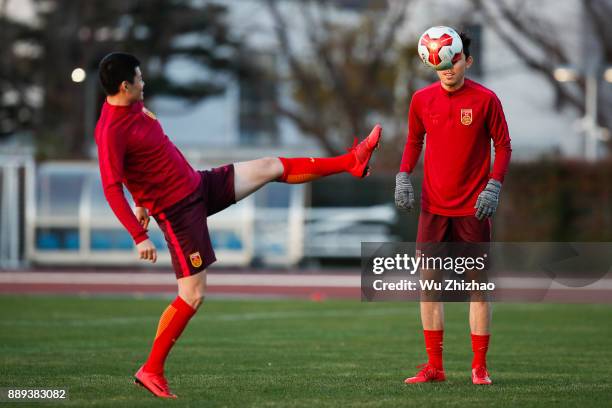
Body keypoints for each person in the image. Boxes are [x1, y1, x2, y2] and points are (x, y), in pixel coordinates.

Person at [95, 52, 382, 398]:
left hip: (198, 186)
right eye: (140, 79)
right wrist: (139, 235)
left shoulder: (135, 108)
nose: (144, 83)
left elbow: (141, 162)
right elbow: (111, 187)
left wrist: (140, 201)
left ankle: (351, 161)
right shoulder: (110, 129)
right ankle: (151, 369)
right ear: (125, 86)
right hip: (178, 213)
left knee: (269, 166)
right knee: (193, 295)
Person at [394, 32, 511, 385]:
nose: (447, 67)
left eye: (454, 60)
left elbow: (503, 146)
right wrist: (403, 175)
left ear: (467, 61)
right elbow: (414, 140)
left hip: (474, 210)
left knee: (478, 287)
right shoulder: (420, 99)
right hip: (433, 209)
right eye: (441, 62)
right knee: (429, 285)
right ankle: (435, 367)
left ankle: (479, 366)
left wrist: (494, 185)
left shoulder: (486, 99)